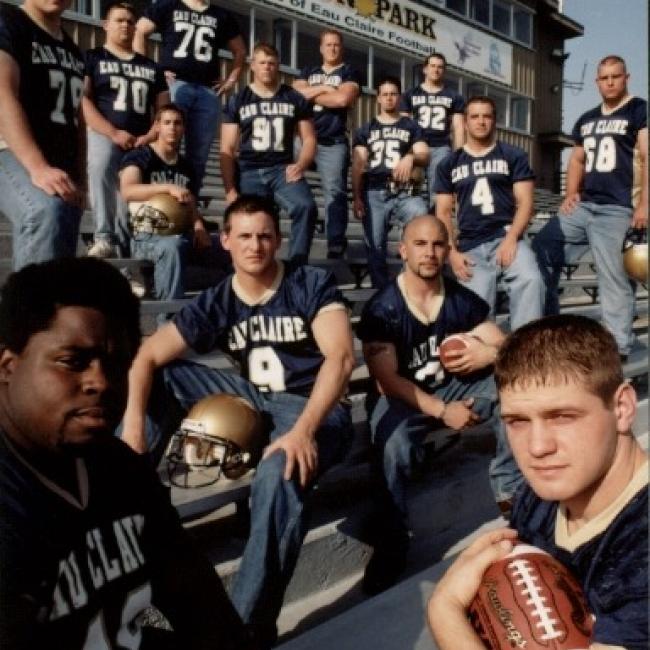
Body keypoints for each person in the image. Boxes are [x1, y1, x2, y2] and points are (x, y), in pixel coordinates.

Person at [120, 194, 355, 647]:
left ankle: (245, 627)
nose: (255, 245)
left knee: (279, 471)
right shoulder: (218, 299)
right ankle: (128, 484)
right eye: (244, 236)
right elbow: (146, 356)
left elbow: (341, 359)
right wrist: (133, 430)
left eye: (265, 235)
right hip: (254, 404)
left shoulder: (310, 283)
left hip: (315, 411)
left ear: (279, 240)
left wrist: (303, 430)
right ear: (225, 240)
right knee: (162, 373)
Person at [0, 257, 251, 649]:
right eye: (73, 361)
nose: (100, 381)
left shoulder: (118, 466)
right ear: (8, 366)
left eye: (117, 364)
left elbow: (200, 605)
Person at [428, 314, 648, 650]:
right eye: (517, 421)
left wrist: (444, 609)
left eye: (562, 417)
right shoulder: (537, 498)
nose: (537, 447)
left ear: (621, 407)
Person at [357, 214, 522, 595]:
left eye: (437, 245)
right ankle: (392, 538)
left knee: (512, 388)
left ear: (448, 250)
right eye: (420, 244)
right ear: (403, 250)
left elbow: (502, 343)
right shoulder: (383, 308)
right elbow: (388, 380)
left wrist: (489, 353)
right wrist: (443, 411)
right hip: (402, 399)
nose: (429, 253)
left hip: (451, 390)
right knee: (394, 444)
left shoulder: (460, 298)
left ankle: (510, 493)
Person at [532, 55, 648, 358]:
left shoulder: (638, 109)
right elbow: (577, 160)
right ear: (597, 82)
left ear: (626, 78)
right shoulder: (586, 118)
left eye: (615, 76)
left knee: (615, 277)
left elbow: (648, 158)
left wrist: (644, 205)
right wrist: (571, 192)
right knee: (542, 245)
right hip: (585, 206)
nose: (609, 82)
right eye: (604, 78)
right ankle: (550, 321)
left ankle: (619, 345)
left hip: (618, 208)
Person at [435, 95, 544, 331]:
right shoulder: (449, 163)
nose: (481, 121)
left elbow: (526, 202)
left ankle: (525, 351)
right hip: (470, 245)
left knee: (530, 279)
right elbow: (443, 212)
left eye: (487, 116)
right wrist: (451, 253)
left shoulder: (513, 155)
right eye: (475, 116)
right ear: (465, 122)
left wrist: (512, 238)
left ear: (495, 121)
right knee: (478, 303)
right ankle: (484, 356)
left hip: (505, 236)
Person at [0, 0, 85, 270]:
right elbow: (2, 93)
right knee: (44, 211)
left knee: (61, 265)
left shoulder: (71, 47)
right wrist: (37, 167)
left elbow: (77, 118)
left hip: (58, 163)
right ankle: (28, 312)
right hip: (11, 150)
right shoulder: (10, 20)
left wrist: (81, 177)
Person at [83, 1, 169, 259]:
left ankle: (124, 255)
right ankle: (103, 235)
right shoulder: (93, 57)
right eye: (119, 20)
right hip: (104, 132)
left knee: (127, 197)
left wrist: (151, 136)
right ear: (105, 25)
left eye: (130, 22)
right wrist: (112, 132)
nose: (125, 25)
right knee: (102, 161)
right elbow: (83, 100)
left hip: (140, 140)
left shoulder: (151, 67)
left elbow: (164, 110)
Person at [134, 0, 246, 194]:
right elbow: (140, 31)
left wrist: (232, 79)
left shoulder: (221, 15)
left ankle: (190, 208)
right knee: (166, 146)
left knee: (199, 155)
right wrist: (150, 70)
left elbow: (240, 50)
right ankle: (163, 201)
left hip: (207, 90)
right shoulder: (167, 5)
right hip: (175, 84)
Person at [221, 43, 318, 265]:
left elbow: (310, 138)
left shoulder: (293, 97)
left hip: (281, 169)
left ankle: (297, 266)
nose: (267, 67)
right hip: (249, 170)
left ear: (278, 67)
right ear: (252, 65)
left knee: (306, 206)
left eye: (272, 63)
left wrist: (301, 164)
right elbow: (226, 148)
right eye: (262, 62)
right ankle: (255, 269)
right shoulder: (238, 99)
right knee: (252, 222)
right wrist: (230, 189)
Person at [119, 103, 211, 302]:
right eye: (167, 122)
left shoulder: (186, 166)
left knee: (230, 245)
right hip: (146, 235)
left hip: (182, 233)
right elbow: (128, 191)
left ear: (183, 129)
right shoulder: (141, 156)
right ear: (157, 126)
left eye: (177, 123)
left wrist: (198, 225)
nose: (172, 127)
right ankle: (167, 321)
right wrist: (167, 188)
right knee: (172, 247)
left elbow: (190, 201)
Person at [352, 76, 429, 289]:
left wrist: (411, 157)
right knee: (375, 246)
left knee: (420, 215)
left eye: (393, 94)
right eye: (385, 94)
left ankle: (410, 284)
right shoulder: (365, 129)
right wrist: (357, 197)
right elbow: (358, 165)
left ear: (399, 97)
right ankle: (381, 290)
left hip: (405, 191)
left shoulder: (412, 127)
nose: (389, 98)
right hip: (374, 191)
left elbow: (425, 154)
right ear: (378, 98)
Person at [293, 29, 361, 258]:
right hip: (302, 139)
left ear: (341, 48)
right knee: (277, 171)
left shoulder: (349, 71)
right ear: (321, 48)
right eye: (328, 44)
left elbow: (342, 99)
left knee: (335, 192)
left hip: (332, 141)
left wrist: (310, 94)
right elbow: (295, 96)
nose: (332, 48)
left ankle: (335, 242)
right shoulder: (309, 70)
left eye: (336, 45)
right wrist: (324, 89)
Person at [400, 52, 465, 208]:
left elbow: (458, 127)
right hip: (416, 147)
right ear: (425, 69)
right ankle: (410, 229)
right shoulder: (410, 94)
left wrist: (459, 156)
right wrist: (406, 152)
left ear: (444, 71)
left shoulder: (453, 96)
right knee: (410, 192)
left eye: (440, 67)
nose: (436, 70)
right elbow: (403, 125)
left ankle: (435, 229)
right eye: (433, 66)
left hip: (440, 147)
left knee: (438, 194)